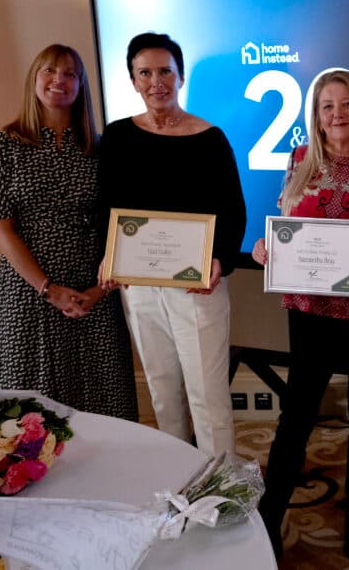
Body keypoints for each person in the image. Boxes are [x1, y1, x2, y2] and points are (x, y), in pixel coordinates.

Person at [252, 69, 349, 561]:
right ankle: (269, 514)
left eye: (347, 104)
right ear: (315, 115)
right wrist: (264, 247)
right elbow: (284, 227)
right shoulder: (298, 160)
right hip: (308, 309)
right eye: (327, 105)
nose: (336, 114)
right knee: (296, 415)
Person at [0, 44, 138, 421]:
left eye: (69, 74)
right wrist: (49, 289)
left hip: (93, 289)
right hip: (29, 291)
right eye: (49, 71)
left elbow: (120, 224)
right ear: (34, 79)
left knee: (103, 398)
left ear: (81, 87)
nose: (58, 80)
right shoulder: (5, 144)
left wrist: (97, 290)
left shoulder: (99, 149)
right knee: (28, 409)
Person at [99, 32, 246, 457]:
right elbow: (108, 207)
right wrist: (109, 256)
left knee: (208, 397)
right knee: (163, 394)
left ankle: (222, 492)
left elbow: (233, 210)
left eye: (165, 71)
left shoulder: (210, 138)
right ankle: (178, 484)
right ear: (132, 80)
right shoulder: (119, 137)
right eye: (144, 73)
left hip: (196, 285)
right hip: (139, 286)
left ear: (180, 77)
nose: (155, 81)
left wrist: (220, 259)